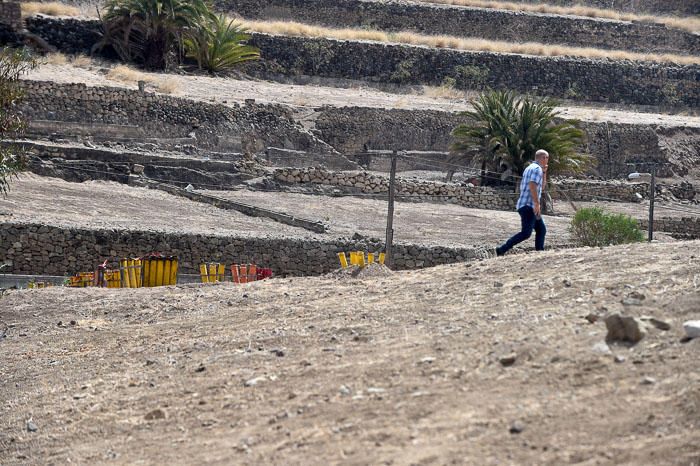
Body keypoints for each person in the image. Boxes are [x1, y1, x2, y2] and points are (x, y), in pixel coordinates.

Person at [495, 149, 548, 256]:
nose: (547, 160)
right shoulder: (536, 169)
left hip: (526, 205)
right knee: (526, 233)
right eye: (546, 158)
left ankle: (540, 253)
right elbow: (532, 185)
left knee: (541, 229)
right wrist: (536, 204)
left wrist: (545, 172)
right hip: (529, 206)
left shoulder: (530, 168)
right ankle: (502, 249)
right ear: (542, 158)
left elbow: (542, 187)